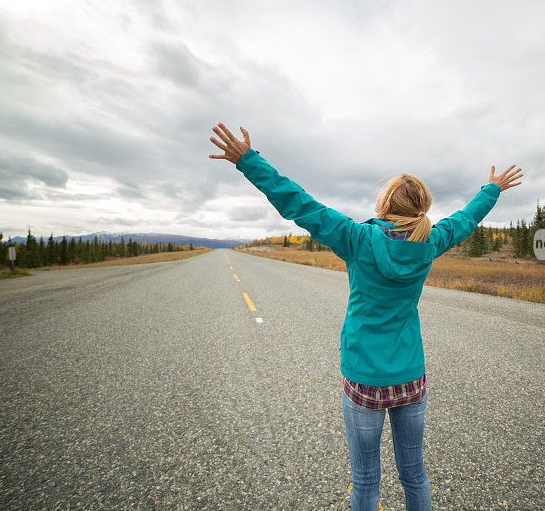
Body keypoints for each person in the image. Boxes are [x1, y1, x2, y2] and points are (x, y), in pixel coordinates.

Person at [208, 122, 523, 511]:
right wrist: (491, 189)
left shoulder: (357, 239)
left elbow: (301, 205)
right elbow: (464, 219)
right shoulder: (431, 242)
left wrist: (248, 161)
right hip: (409, 375)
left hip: (364, 378)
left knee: (366, 480)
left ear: (386, 205)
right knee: (414, 473)